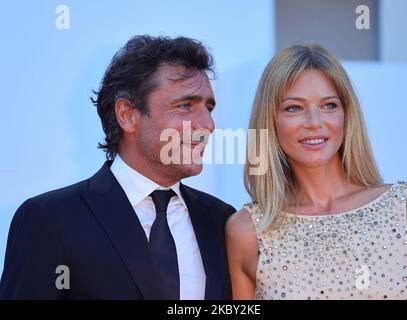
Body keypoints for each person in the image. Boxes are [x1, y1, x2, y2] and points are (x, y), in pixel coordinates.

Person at [0, 35, 235, 299]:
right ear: (127, 115)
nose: (208, 125)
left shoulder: (221, 220)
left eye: (209, 108)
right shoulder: (50, 220)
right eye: (185, 106)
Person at [226, 44, 407, 300]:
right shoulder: (246, 231)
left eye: (329, 106)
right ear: (270, 121)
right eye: (294, 108)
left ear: (346, 114)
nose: (314, 122)